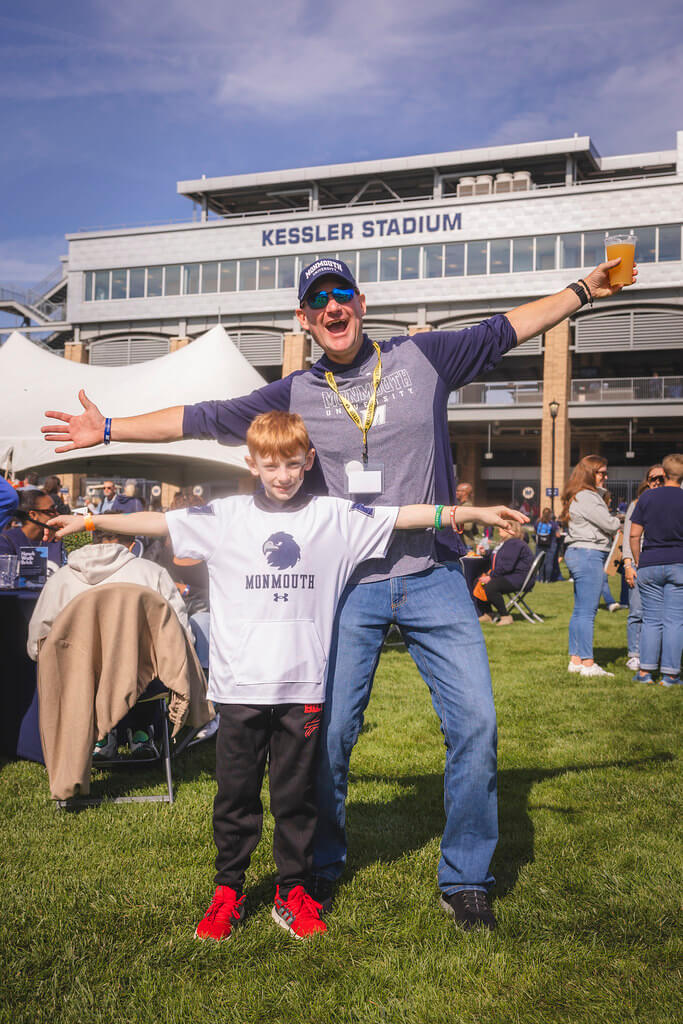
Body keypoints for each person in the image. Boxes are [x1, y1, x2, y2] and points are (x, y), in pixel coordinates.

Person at [42, 254, 636, 931]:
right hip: (346, 589)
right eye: (317, 299)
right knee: (327, 741)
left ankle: (466, 875)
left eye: (341, 294)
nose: (331, 307)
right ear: (305, 318)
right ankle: (314, 872)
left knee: (476, 726)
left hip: (435, 578)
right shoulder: (293, 392)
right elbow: (199, 418)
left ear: (359, 303)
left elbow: (510, 327)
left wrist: (584, 288)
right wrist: (110, 429)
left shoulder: (425, 357)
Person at [49, 411, 524, 940]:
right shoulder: (225, 516)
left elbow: (402, 516)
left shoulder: (333, 517)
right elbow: (160, 522)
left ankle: (291, 891)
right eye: (270, 465)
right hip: (239, 689)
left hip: (304, 690)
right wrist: (91, 523)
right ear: (252, 464)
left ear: (309, 462)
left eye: (293, 465)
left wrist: (468, 511)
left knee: (296, 798)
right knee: (236, 798)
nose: (282, 475)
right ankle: (228, 890)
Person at [27, 512, 200, 757]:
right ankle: (141, 733)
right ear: (132, 544)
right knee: (149, 659)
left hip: (80, 681)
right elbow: (183, 637)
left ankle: (102, 737)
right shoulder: (153, 574)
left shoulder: (61, 580)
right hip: (145, 683)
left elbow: (36, 645)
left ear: (93, 540)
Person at [561, 456, 621, 678]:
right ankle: (587, 663)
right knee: (587, 611)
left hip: (579, 552)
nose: (605, 477)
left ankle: (576, 660)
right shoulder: (588, 496)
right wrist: (620, 520)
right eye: (601, 473)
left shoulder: (580, 495)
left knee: (579, 610)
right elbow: (609, 523)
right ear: (589, 473)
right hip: (589, 553)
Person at [629, 453, 683, 687]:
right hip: (679, 563)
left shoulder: (647, 497)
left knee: (651, 620)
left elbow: (634, 534)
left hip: (650, 562)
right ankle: (670, 675)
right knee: (674, 621)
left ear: (664, 471)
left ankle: (645, 672)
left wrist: (639, 559)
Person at [622, 464, 665, 670]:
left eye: (661, 478)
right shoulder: (637, 503)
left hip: (664, 563)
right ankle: (635, 653)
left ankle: (659, 655)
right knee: (637, 611)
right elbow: (629, 535)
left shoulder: (672, 502)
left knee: (664, 614)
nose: (657, 482)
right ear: (647, 482)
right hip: (640, 563)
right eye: (653, 478)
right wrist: (628, 564)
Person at [475, 520, 534, 625]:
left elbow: (507, 565)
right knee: (478, 582)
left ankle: (505, 616)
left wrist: (491, 576)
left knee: (491, 586)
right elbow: (499, 556)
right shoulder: (506, 543)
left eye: (503, 527)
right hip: (510, 576)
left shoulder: (515, 543)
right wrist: (486, 552)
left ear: (512, 530)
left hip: (519, 578)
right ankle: (489, 613)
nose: (499, 528)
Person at [0, 489, 66, 571]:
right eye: (51, 510)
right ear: (33, 515)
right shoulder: (6, 540)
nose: (57, 514)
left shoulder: (57, 540)